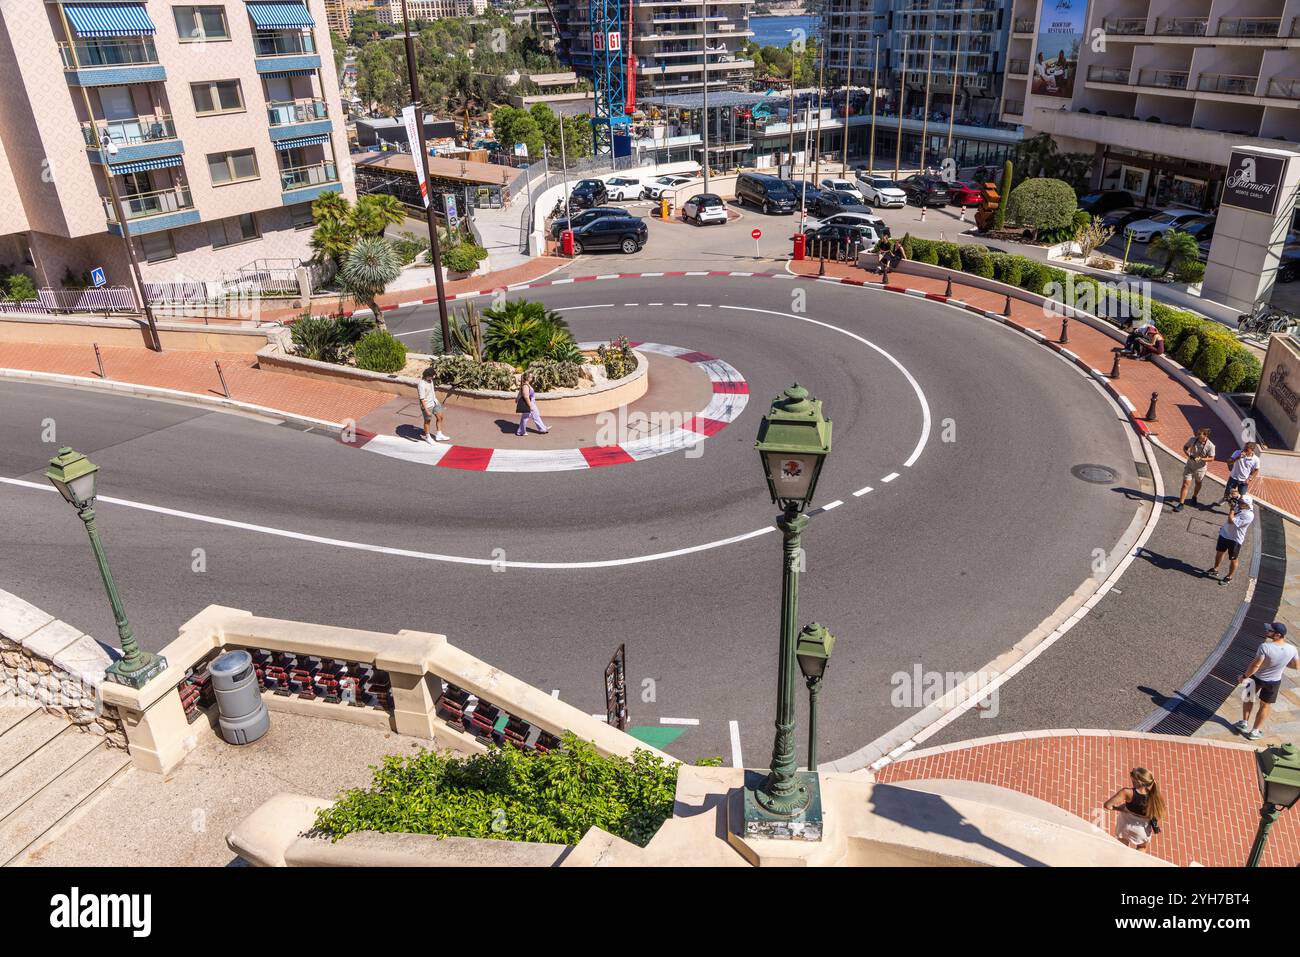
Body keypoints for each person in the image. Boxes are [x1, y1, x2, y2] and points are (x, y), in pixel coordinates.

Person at [1236, 622, 1299, 740]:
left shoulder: (1265, 647)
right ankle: (1255, 732)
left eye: (1270, 631)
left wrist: (1244, 676)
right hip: (1274, 682)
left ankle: (1244, 723)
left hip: (1256, 678)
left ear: (1277, 635)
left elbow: (1255, 665)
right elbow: (1296, 666)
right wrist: (1281, 664)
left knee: (1249, 699)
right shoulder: (1292, 649)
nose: (1267, 631)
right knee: (1265, 706)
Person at [1103, 768, 1166, 853]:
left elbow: (1107, 805)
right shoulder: (1155, 796)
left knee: (1121, 847)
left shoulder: (1127, 792)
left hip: (1125, 824)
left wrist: (1118, 808)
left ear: (1138, 781)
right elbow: (1156, 814)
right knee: (1141, 847)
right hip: (1142, 830)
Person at [1210, 492, 1255, 585]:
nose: (1239, 503)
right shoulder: (1240, 505)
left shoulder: (1248, 515)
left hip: (1235, 539)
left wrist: (1231, 508)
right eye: (1240, 501)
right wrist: (1234, 494)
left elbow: (1230, 521)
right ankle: (1215, 569)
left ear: (1247, 505)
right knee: (1219, 552)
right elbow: (1235, 494)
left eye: (1241, 502)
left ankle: (1229, 577)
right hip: (1224, 534)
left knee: (1233, 559)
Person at [1171, 427, 1215, 512]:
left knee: (1198, 483)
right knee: (1185, 484)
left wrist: (1202, 459)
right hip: (1190, 466)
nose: (1197, 435)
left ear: (1205, 435)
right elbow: (1185, 447)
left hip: (1200, 469)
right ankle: (1181, 504)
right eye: (1197, 433)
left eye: (1199, 434)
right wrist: (1187, 454)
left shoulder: (1210, 446)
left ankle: (1194, 496)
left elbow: (1212, 458)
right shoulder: (1192, 439)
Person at [417, 367, 449, 444]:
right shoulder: (421, 385)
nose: (433, 377)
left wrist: (437, 401)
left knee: (440, 417)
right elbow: (422, 399)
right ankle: (428, 437)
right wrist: (427, 410)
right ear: (427, 375)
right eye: (432, 376)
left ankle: (439, 434)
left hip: (434, 402)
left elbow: (432, 392)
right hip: (427, 405)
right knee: (427, 421)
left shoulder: (430, 381)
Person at [515, 370, 549, 437]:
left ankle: (542, 428)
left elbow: (519, 393)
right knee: (525, 418)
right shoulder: (525, 386)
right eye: (531, 376)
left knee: (536, 415)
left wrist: (517, 398)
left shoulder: (527, 385)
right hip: (529, 404)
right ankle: (521, 431)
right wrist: (530, 406)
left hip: (532, 403)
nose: (532, 377)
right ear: (527, 378)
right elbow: (526, 397)